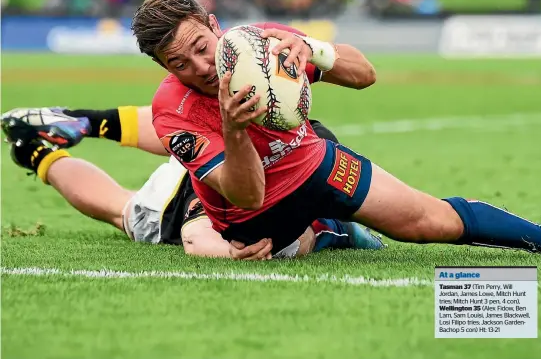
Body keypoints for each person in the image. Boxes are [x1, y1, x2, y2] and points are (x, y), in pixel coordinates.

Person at [131, 0, 541, 258]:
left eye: (202, 48)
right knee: (284, 246)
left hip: (314, 164)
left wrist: (313, 49)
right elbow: (249, 195)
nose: (201, 68)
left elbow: (365, 75)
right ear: (164, 68)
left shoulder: (260, 44)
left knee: (430, 222)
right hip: (254, 219)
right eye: (179, 64)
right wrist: (233, 129)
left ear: (213, 25)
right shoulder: (172, 110)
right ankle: (334, 229)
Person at [1, 106, 384, 260]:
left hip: (212, 159)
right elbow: (196, 237)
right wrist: (233, 255)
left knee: (183, 131)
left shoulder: (276, 141)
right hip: (179, 197)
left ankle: (58, 137)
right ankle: (40, 154)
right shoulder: (230, 189)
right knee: (123, 210)